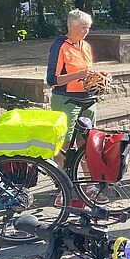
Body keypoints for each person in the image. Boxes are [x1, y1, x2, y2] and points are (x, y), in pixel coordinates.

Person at [47, 9, 98, 167]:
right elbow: (52, 80)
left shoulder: (86, 46)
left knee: (87, 142)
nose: (86, 31)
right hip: (66, 99)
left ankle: (89, 185)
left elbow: (88, 72)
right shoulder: (60, 46)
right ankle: (63, 182)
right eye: (83, 27)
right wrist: (78, 74)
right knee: (65, 143)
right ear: (70, 26)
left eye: (88, 27)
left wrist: (99, 78)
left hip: (87, 99)